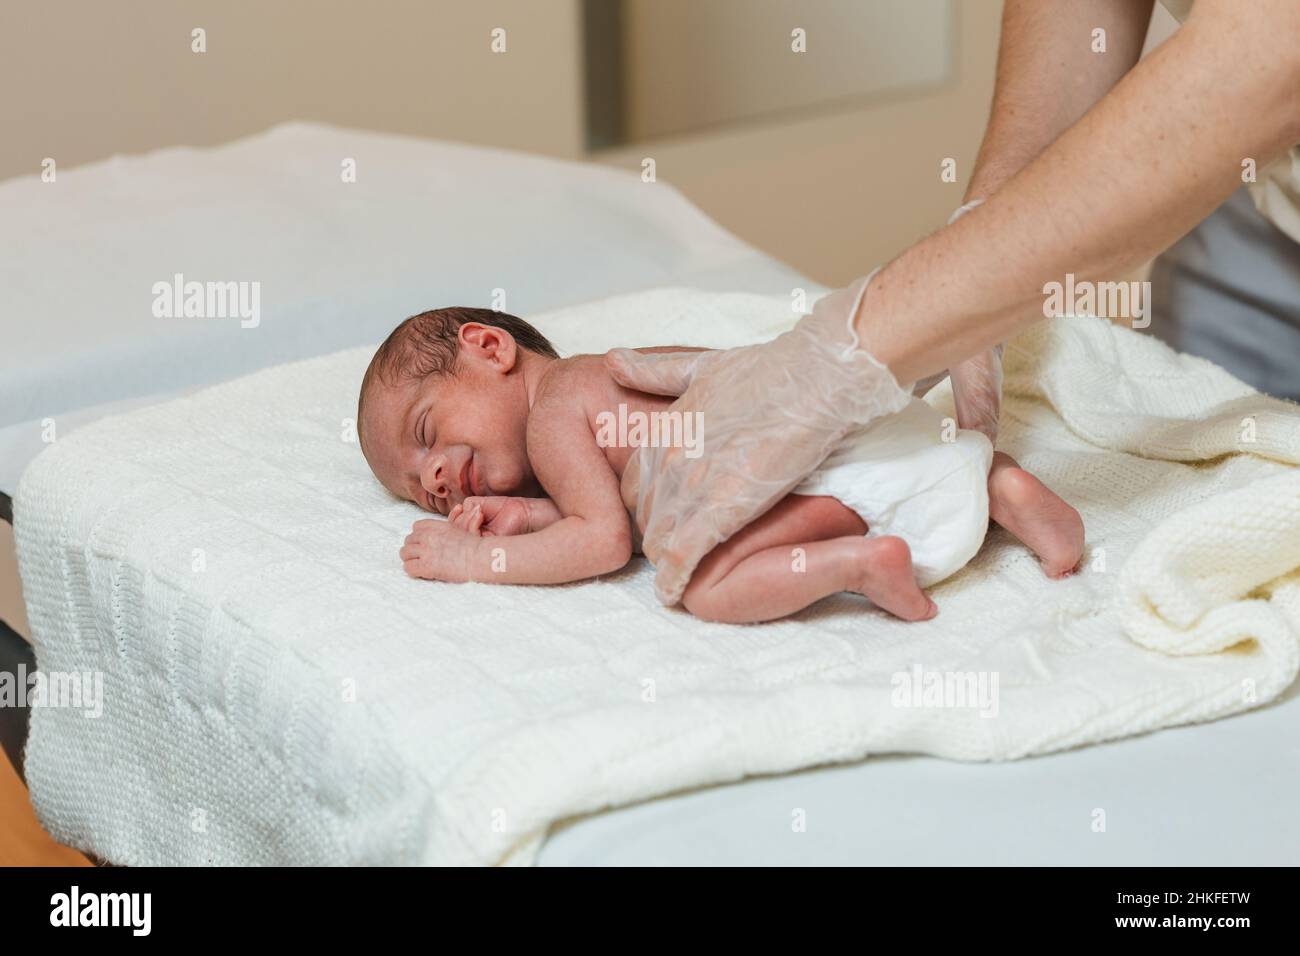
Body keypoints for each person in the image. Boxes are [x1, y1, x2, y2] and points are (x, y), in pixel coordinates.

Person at [607, 0, 1300, 604]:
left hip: (1256, 118)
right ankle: (989, 483)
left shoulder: (556, 403)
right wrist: (992, 223)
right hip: (1260, 228)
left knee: (735, 569)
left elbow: (1272, 47)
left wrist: (846, 353)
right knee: (1210, 454)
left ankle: (958, 496)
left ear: (492, 345)